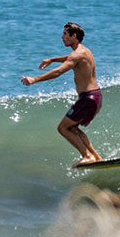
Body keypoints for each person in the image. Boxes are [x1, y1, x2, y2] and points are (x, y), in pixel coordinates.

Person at [22, 22, 104, 165]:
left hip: (87, 99)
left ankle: (87, 156)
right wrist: (52, 59)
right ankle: (95, 156)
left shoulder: (77, 54)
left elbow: (59, 72)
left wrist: (34, 79)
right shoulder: (84, 51)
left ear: (74, 36)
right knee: (72, 128)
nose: (62, 37)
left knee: (63, 128)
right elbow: (70, 57)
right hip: (94, 97)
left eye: (65, 34)